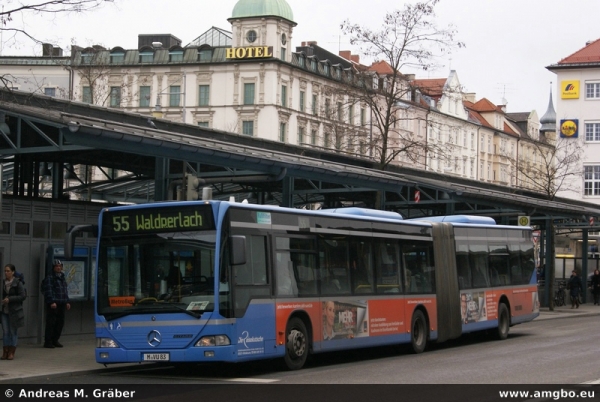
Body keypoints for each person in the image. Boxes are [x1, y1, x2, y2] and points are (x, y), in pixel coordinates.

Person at [43, 259, 71, 348]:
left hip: (62, 303)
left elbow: (65, 291)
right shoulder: (50, 277)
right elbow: (48, 290)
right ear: (53, 268)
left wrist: (67, 301)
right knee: (51, 323)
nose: (58, 268)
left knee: (60, 323)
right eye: (57, 266)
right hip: (54, 304)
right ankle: (48, 341)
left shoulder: (62, 277)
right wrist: (51, 301)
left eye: (60, 266)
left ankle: (55, 340)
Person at [1, 264, 26, 360]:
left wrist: (10, 299)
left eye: (8, 271)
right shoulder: (3, 283)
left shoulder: (17, 282)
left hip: (14, 311)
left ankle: (11, 352)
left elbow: (22, 296)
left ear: (13, 272)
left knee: (13, 331)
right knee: (5, 331)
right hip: (5, 310)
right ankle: (5, 351)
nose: (6, 273)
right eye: (5, 271)